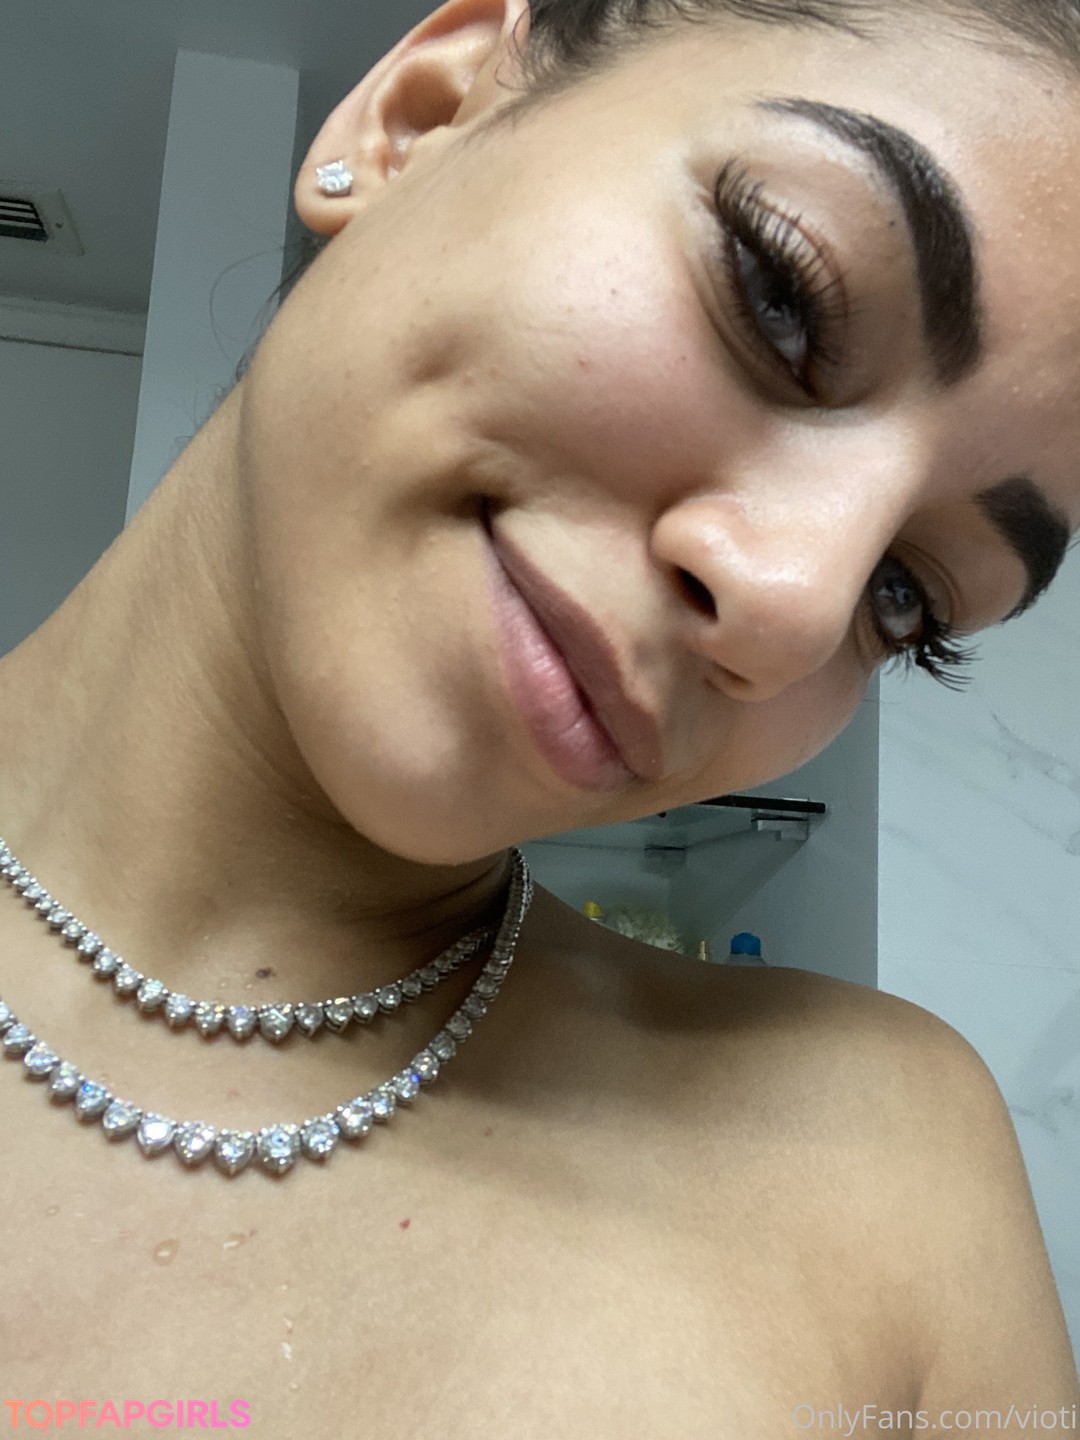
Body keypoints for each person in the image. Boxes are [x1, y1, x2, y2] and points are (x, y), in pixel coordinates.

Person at [2, 0, 1078, 1428]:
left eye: (905, 595)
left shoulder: (889, 1178)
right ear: (422, 115)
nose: (792, 609)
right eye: (782, 297)